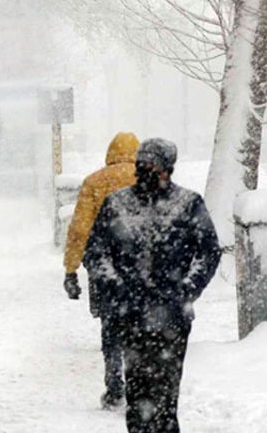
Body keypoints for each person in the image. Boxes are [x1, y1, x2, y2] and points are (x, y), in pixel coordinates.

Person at [83, 138, 221, 432]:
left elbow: (209, 252)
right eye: (141, 163)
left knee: (166, 396)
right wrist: (117, 288)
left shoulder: (187, 204)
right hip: (131, 316)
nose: (146, 169)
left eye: (153, 164)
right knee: (137, 395)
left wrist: (186, 289)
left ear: (168, 168)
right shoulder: (117, 204)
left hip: (171, 319)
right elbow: (96, 253)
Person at [62, 132, 139, 408]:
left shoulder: (95, 182)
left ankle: (114, 384)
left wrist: (71, 269)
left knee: (111, 323)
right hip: (142, 265)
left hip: (104, 263)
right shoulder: (149, 180)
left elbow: (80, 229)